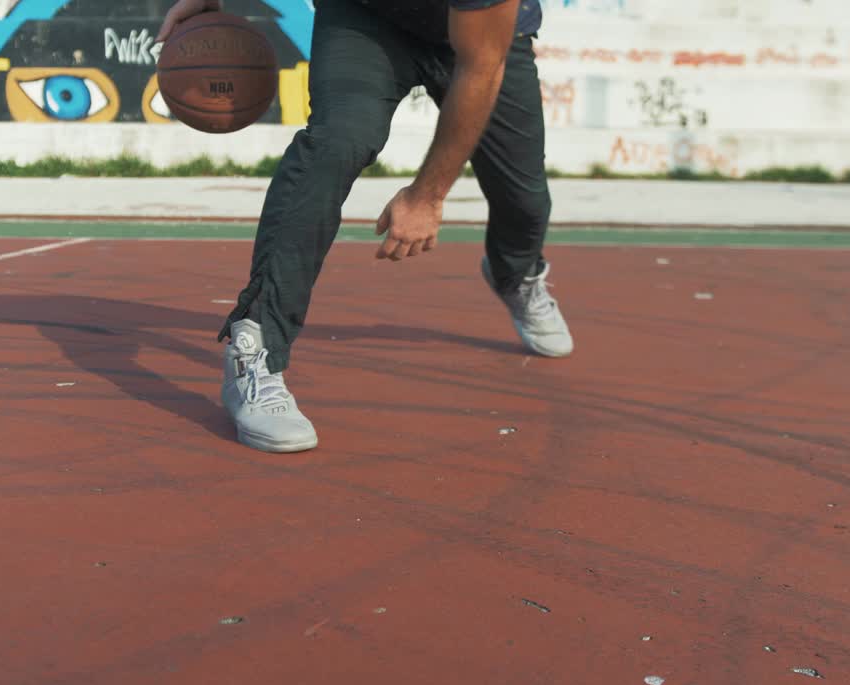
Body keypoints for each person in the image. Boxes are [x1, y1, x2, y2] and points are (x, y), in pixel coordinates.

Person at [157, 0, 573, 453]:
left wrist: (427, 196)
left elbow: (480, 69)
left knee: (525, 200)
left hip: (483, 44)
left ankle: (517, 272)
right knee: (335, 143)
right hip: (367, 17)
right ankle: (257, 345)